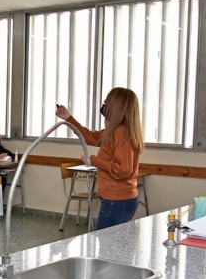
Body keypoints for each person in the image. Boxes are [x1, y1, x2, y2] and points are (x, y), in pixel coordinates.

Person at [55, 87, 144, 230]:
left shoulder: (121, 133)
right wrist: (68, 118)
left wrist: (95, 161)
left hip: (117, 201)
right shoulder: (116, 130)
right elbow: (91, 137)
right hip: (119, 200)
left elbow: (123, 169)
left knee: (106, 242)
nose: (104, 107)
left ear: (117, 108)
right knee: (115, 241)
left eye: (106, 104)